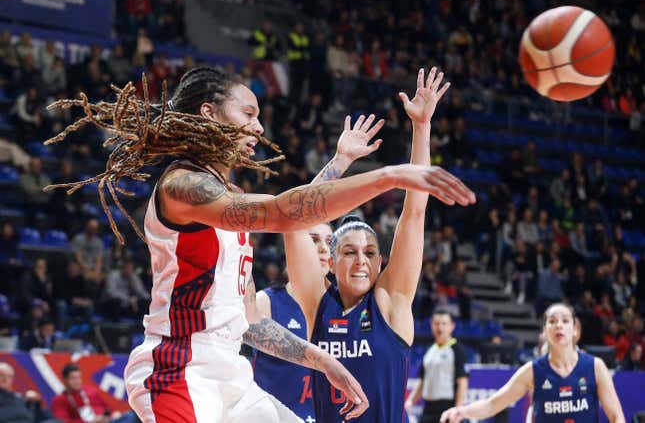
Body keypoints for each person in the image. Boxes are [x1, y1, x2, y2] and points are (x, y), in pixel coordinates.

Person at [44, 66, 473, 422]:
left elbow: (249, 317)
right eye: (248, 112)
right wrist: (388, 176)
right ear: (209, 113)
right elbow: (285, 213)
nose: (259, 126)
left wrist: (322, 361)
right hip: (179, 370)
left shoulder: (224, 200)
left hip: (230, 371)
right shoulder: (183, 186)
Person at [285, 68, 473, 422]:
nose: (360, 261)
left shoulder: (390, 301)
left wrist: (421, 127)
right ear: (331, 260)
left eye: (370, 253)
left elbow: (415, 212)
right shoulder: (315, 301)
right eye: (350, 252)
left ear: (380, 261)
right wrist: (340, 162)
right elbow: (294, 220)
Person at [253, 111, 387, 422]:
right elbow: (296, 215)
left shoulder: (348, 305)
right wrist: (340, 162)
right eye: (312, 238)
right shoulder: (266, 302)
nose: (320, 248)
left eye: (328, 243)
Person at [440, 303, 625, 423]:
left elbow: (617, 417)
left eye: (565, 321)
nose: (559, 325)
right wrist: (462, 411)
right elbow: (492, 404)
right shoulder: (532, 371)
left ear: (575, 330)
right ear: (545, 331)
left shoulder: (595, 366)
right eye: (552, 321)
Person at [405, 310, 469, 423]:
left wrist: (457, 410)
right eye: (436, 323)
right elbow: (422, 381)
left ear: (452, 326)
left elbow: (462, 382)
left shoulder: (457, 350)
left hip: (447, 407)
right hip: (428, 407)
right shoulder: (430, 351)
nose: (440, 327)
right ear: (431, 325)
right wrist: (410, 401)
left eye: (444, 323)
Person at [51, 363, 137, 423]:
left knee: (132, 414)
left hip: (108, 421)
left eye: (78, 378)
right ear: (65, 380)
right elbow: (62, 421)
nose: (77, 381)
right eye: (73, 378)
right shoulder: (60, 400)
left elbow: (109, 409)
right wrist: (91, 421)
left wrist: (113, 414)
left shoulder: (91, 391)